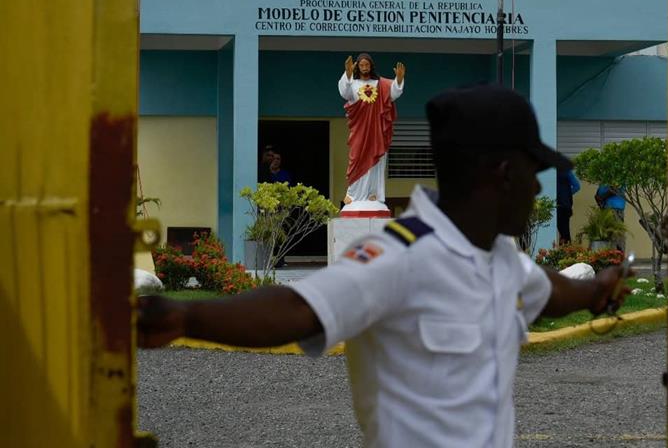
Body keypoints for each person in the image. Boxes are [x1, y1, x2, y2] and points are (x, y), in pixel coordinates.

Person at [137, 84, 632, 448]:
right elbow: (299, 309)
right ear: (503, 174)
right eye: (533, 172)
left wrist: (598, 289)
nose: (539, 188)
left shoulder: (500, 258)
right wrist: (185, 316)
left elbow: (549, 290)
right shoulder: (400, 257)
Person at [338, 53, 406, 205]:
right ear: (358, 67)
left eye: (367, 65)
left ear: (371, 66)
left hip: (376, 130)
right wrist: (347, 74)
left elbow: (393, 93)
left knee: (376, 160)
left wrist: (399, 80)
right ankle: (352, 194)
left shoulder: (380, 84)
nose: (364, 68)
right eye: (361, 65)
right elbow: (344, 93)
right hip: (359, 129)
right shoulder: (353, 83)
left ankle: (373, 193)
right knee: (356, 158)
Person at [595, 184, 625, 251]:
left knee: (616, 235)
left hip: (615, 208)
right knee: (606, 235)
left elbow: (615, 189)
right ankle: (609, 254)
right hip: (605, 208)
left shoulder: (617, 178)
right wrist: (598, 197)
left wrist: (602, 197)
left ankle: (617, 254)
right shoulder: (605, 179)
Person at [556, 169, 581, 244]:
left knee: (563, 231)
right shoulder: (566, 171)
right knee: (564, 231)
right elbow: (577, 186)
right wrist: (567, 195)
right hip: (565, 204)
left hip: (561, 205)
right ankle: (566, 248)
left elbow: (577, 186)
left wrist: (566, 194)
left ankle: (566, 248)